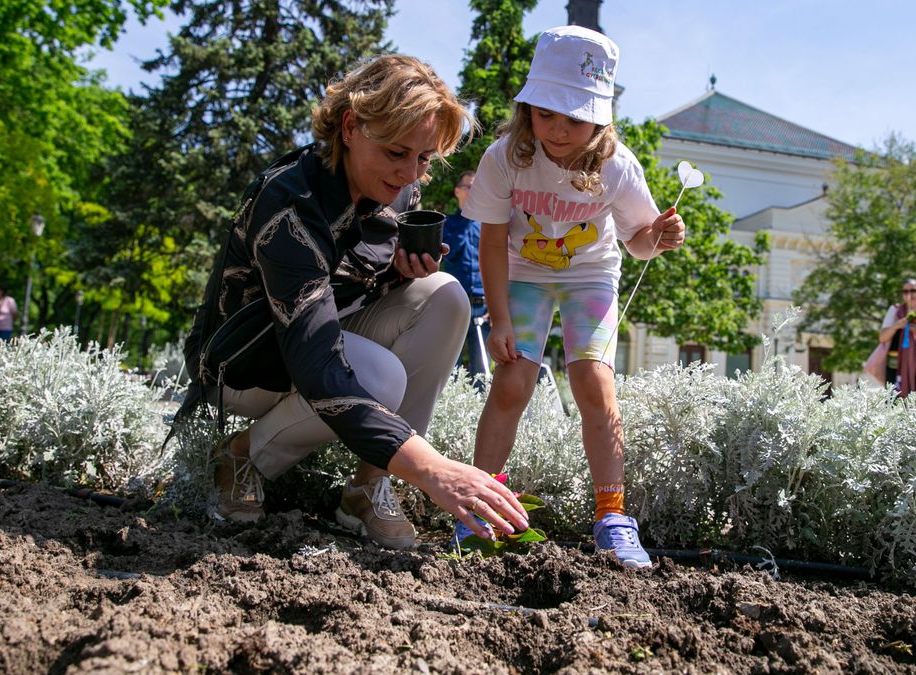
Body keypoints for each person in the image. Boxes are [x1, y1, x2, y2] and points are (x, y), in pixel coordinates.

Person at [180, 55, 528, 549]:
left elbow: (347, 286)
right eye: (396, 153)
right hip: (241, 363)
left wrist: (395, 274)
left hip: (317, 339)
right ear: (350, 126)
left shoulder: (397, 190)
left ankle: (368, 487)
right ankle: (241, 457)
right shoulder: (291, 208)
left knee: (446, 296)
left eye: (425, 159)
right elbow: (318, 361)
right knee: (379, 375)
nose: (410, 173)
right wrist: (433, 469)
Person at [457, 25, 686, 568]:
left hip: (591, 275)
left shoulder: (617, 166)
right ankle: (478, 513)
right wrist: (500, 319)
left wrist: (661, 236)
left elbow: (638, 242)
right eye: (545, 114)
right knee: (513, 378)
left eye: (575, 118)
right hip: (522, 273)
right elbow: (490, 240)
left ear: (600, 119)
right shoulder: (504, 158)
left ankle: (612, 517)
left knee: (593, 378)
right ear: (527, 109)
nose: (558, 130)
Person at [442, 170, 488, 381]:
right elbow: (450, 254)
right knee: (452, 367)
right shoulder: (447, 224)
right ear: (457, 191)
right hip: (455, 304)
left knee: (484, 368)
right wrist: (466, 219)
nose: (474, 192)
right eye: (470, 187)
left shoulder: (489, 225)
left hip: (483, 307)